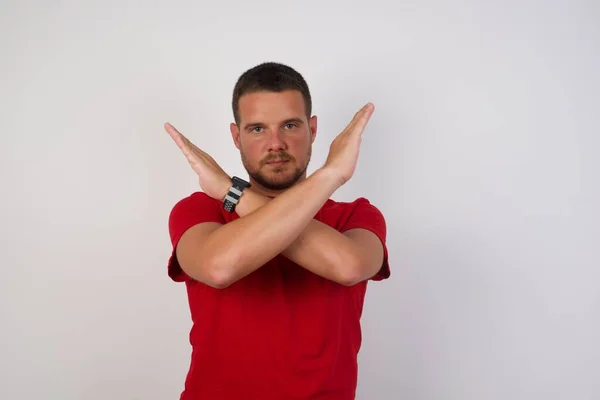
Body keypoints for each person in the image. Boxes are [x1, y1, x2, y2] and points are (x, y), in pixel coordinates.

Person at [164, 62, 391, 400]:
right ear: (236, 136)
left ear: (313, 130)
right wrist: (232, 195)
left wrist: (233, 191)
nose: (276, 143)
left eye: (290, 125)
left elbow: (348, 267)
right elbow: (218, 267)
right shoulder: (200, 211)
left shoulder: (357, 216)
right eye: (257, 129)